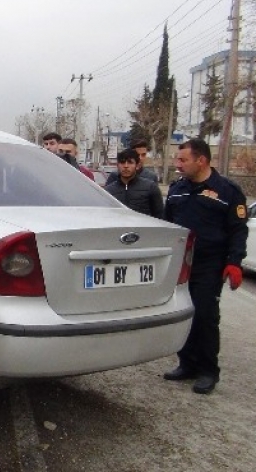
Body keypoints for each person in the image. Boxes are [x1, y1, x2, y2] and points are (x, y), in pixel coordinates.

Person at [162, 138, 248, 395]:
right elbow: (167, 225)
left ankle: (209, 371)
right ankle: (187, 363)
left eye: (183, 160)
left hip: (209, 264)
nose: (178, 165)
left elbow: (238, 231)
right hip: (180, 265)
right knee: (184, 313)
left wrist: (234, 263)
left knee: (205, 317)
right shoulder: (177, 188)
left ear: (201, 160)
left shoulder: (227, 191)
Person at [104, 148, 163, 217]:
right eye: (122, 162)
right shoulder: (109, 191)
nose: (126, 166)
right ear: (117, 165)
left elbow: (159, 216)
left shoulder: (150, 188)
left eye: (130, 162)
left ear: (137, 166)